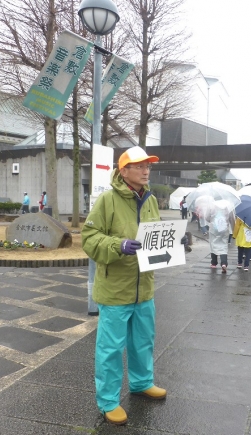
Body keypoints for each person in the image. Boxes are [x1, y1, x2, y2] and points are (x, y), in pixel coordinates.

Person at [82, 146, 176, 426]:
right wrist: (117, 245)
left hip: (144, 287)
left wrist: (173, 242)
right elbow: (89, 237)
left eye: (148, 165)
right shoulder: (107, 200)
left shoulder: (150, 200)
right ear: (123, 171)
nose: (146, 170)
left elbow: (154, 236)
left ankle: (141, 382)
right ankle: (109, 401)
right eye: (139, 166)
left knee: (143, 341)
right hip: (115, 290)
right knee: (110, 348)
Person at [207, 201, 235, 273]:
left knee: (213, 244)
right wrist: (233, 229)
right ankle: (223, 263)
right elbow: (232, 219)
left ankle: (214, 262)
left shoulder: (211, 204)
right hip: (224, 228)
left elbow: (206, 217)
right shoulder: (229, 205)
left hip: (214, 227)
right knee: (224, 245)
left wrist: (211, 220)